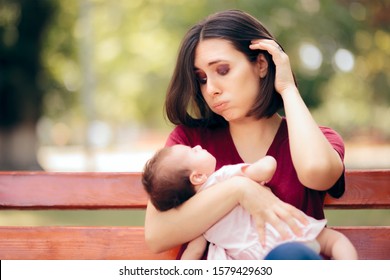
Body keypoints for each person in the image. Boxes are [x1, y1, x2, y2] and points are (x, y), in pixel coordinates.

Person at [144, 9, 346, 260]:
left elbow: (318, 173)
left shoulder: (318, 139)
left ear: (261, 64)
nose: (211, 89)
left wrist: (287, 87)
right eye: (202, 78)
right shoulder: (189, 143)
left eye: (223, 70)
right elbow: (156, 235)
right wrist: (239, 189)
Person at [142, 144, 358, 260]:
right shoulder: (224, 176)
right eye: (192, 151)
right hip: (283, 236)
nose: (197, 146)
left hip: (250, 260)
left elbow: (193, 253)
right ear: (197, 177)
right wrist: (267, 161)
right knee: (335, 241)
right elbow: (266, 169)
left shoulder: (197, 220)